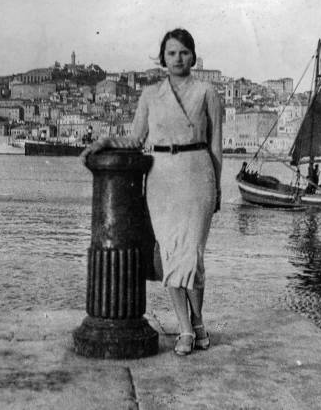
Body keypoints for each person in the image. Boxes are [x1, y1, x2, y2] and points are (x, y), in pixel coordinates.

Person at [82, 28, 222, 356]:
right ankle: (186, 328)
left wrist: (216, 188)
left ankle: (198, 321)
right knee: (170, 255)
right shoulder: (149, 95)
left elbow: (216, 148)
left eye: (184, 52)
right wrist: (104, 142)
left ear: (193, 56)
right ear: (163, 58)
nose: (178, 58)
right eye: (171, 53)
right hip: (162, 178)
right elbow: (135, 139)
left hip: (197, 174)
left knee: (192, 256)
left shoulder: (207, 92)